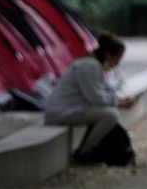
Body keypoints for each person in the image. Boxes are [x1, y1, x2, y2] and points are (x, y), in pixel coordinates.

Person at [44, 32, 136, 163]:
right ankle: (84, 152)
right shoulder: (89, 66)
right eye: (117, 59)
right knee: (111, 115)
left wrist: (120, 100)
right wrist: (119, 103)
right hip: (62, 112)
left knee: (110, 112)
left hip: (72, 109)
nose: (117, 64)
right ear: (108, 54)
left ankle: (88, 151)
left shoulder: (94, 65)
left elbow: (105, 91)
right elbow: (96, 98)